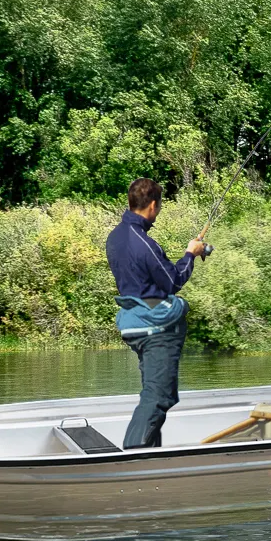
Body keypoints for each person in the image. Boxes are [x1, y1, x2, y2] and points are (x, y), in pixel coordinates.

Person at [106, 178, 205, 449]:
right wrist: (191, 254)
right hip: (155, 328)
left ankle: (150, 455)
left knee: (153, 392)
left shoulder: (114, 236)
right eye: (159, 206)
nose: (158, 211)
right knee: (158, 397)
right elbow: (173, 281)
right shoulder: (144, 243)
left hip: (133, 324)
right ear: (152, 206)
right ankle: (132, 456)